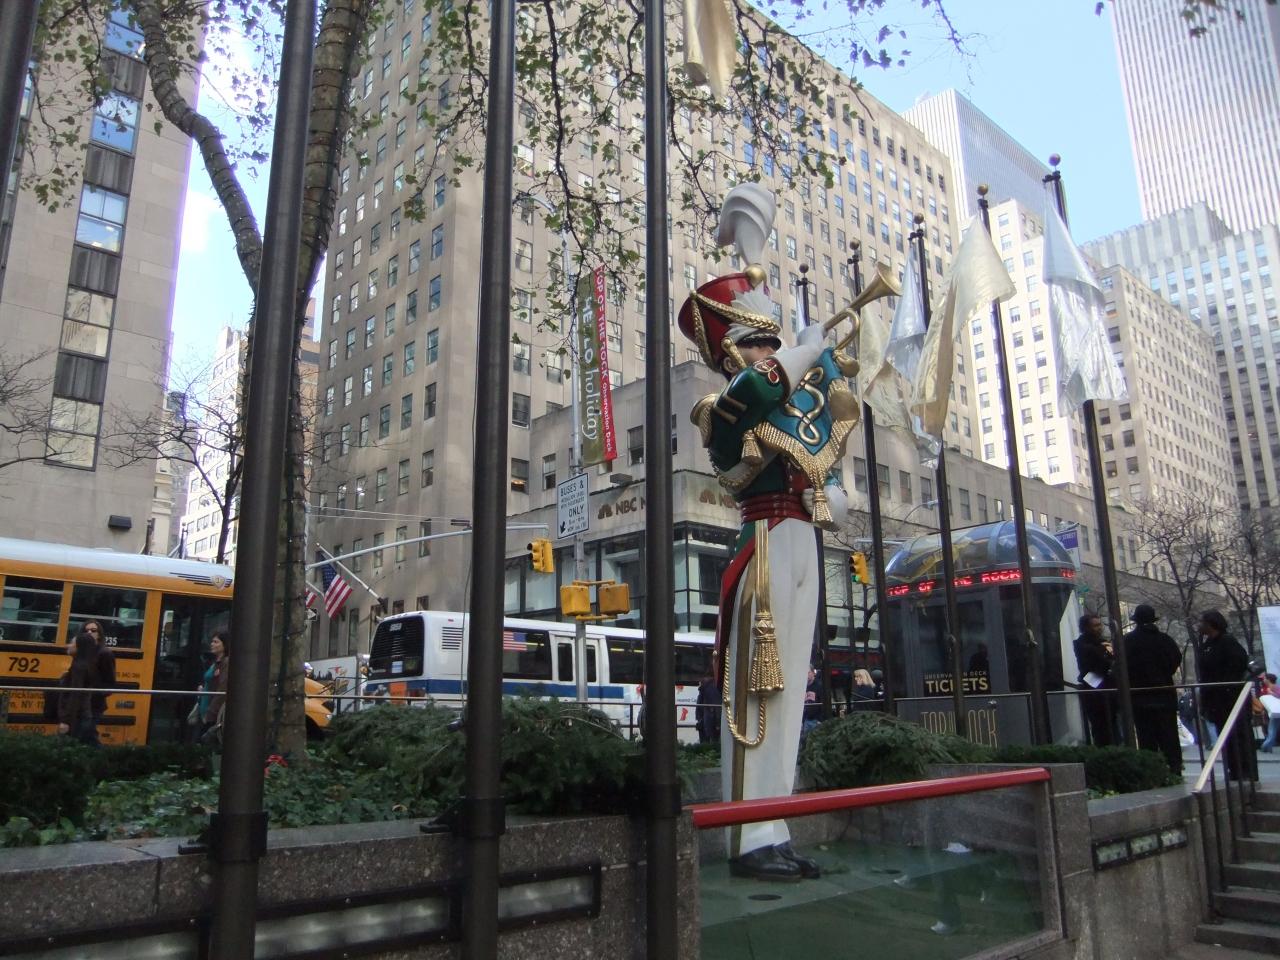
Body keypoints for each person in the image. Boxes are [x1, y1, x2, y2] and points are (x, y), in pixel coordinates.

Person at [680, 182, 858, 882]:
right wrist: (804, 355)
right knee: (756, 693)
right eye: (756, 341)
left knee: (790, 696)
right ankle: (747, 836)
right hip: (760, 547)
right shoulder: (718, 406)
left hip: (801, 541)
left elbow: (816, 429)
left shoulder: (786, 404)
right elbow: (758, 397)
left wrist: (835, 493)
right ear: (729, 351)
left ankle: (773, 825)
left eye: (771, 341)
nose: (767, 350)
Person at [1123, 604, 1183, 774]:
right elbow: (1175, 659)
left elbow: (1121, 665)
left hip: (1139, 696)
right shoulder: (1165, 640)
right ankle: (1174, 768)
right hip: (1164, 694)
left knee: (1146, 737)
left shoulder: (1128, 641)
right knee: (1169, 735)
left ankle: (1151, 771)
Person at [1198, 609, 1255, 780]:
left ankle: (1246, 771)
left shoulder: (1228, 642)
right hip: (1216, 699)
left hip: (1231, 696)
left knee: (1240, 735)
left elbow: (1237, 665)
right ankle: (1234, 769)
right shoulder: (1207, 645)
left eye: (1202, 622)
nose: (1200, 626)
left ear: (1211, 624)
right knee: (1226, 736)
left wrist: (1225, 685)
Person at [1073, 613, 1117, 747]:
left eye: (1100, 625)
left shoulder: (1102, 642)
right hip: (1093, 690)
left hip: (1107, 688)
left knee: (1112, 725)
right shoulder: (1082, 644)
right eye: (1095, 625)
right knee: (1099, 727)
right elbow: (1096, 660)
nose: (1099, 628)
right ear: (1086, 627)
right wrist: (1104, 651)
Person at [58, 632, 102, 746]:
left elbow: (75, 695)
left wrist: (66, 721)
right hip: (83, 716)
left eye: (72, 643)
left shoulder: (79, 667)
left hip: (77, 718)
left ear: (80, 647)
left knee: (70, 749)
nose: (68, 645)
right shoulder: (87, 664)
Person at [81, 620, 116, 737]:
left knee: (88, 732)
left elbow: (110, 682)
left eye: (93, 630)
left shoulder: (105, 653)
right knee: (85, 734)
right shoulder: (82, 652)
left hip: (94, 703)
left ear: (99, 634)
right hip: (81, 702)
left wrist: (96, 693)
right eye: (86, 631)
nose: (89, 633)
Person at [199, 630, 230, 746]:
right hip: (205, 706)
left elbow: (223, 687)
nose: (212, 644)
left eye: (216, 642)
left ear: (224, 645)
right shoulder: (215, 663)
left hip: (212, 711)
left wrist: (211, 711)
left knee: (206, 742)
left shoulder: (225, 663)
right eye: (212, 642)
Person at [695, 672, 721, 745]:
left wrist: (717, 723)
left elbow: (716, 706)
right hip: (705, 721)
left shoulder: (710, 688)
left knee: (710, 743)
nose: (699, 680)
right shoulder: (705, 688)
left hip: (709, 722)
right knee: (707, 744)